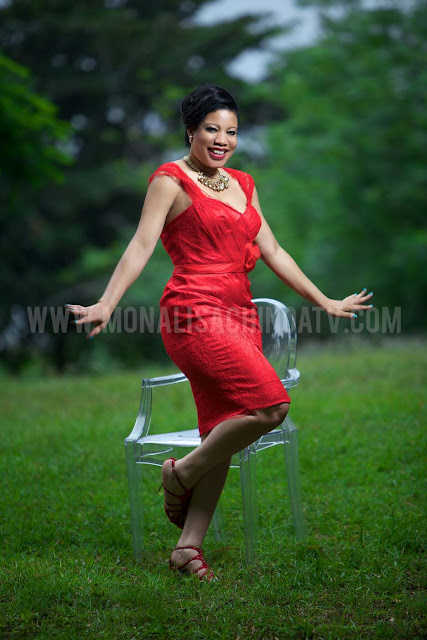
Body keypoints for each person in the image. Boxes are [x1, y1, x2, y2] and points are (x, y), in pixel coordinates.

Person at [66, 84, 374, 582]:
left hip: (239, 314)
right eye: (212, 129)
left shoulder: (244, 183)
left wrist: (325, 300)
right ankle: (181, 474)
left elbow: (274, 251)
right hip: (193, 312)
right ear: (191, 130)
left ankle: (187, 548)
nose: (222, 140)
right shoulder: (170, 180)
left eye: (231, 131)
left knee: (221, 429)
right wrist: (107, 302)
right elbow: (141, 245)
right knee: (271, 406)